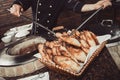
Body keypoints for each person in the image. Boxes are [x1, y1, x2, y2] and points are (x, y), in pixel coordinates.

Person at [10, 0, 112, 40]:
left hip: (52, 34)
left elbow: (77, 6)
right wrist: (16, 5)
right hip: (36, 34)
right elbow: (21, 2)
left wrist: (94, 6)